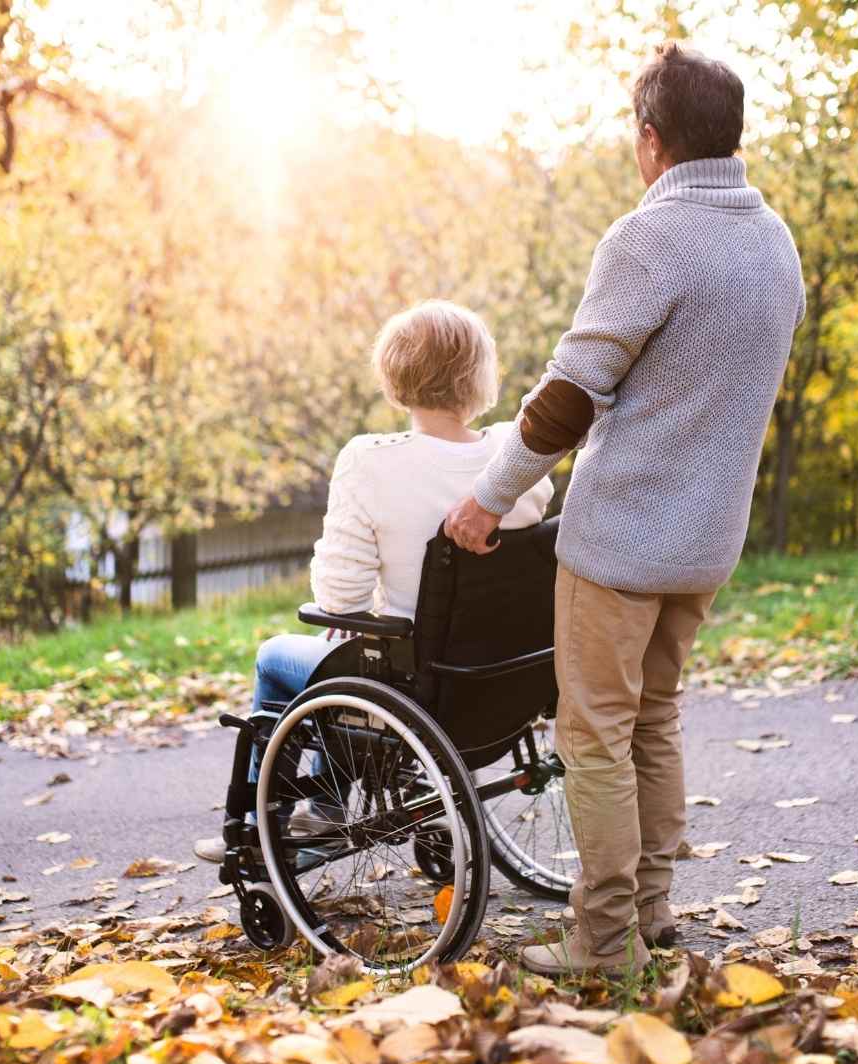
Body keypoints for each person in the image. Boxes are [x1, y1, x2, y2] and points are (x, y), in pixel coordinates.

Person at [445, 43, 804, 976]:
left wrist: (490, 498)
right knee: (656, 719)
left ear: (651, 140)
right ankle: (649, 914)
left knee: (593, 735)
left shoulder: (648, 239)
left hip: (622, 540)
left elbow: (570, 396)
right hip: (708, 539)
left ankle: (604, 945)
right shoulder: (774, 241)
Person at [193, 299, 554, 863]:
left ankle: (292, 817)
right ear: (480, 374)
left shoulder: (369, 461)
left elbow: (339, 598)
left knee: (277, 656)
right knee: (357, 655)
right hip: (506, 678)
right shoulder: (517, 458)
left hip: (419, 685)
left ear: (395, 376)